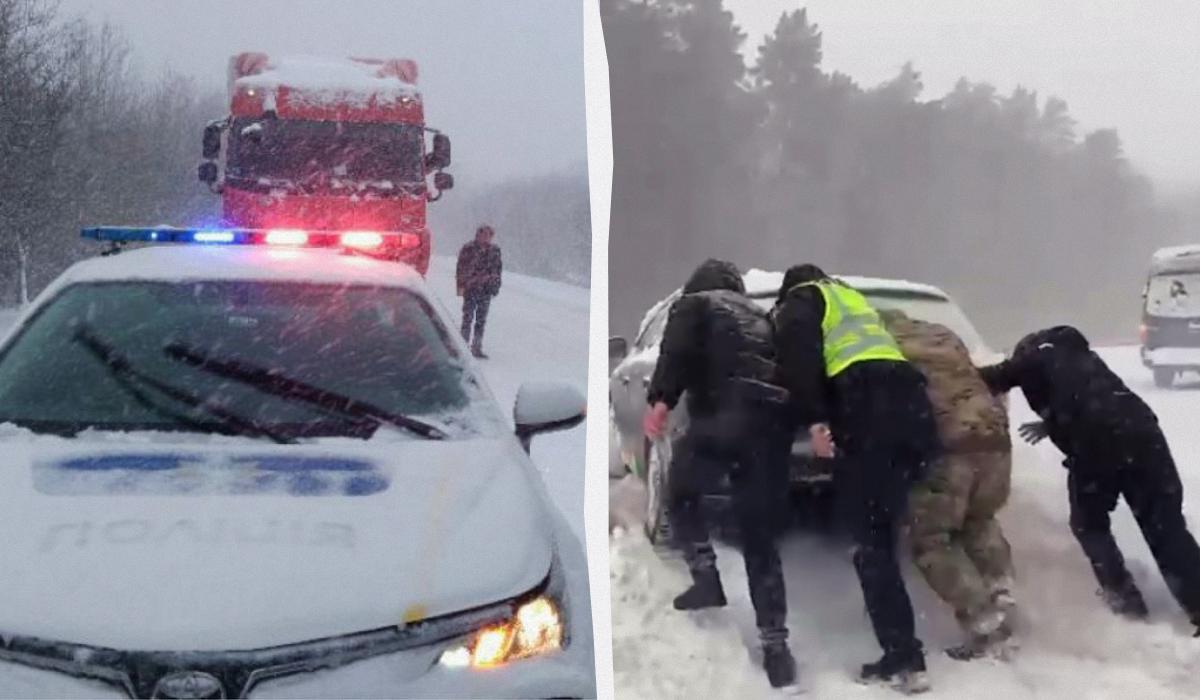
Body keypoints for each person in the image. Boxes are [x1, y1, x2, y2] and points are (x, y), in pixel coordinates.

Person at [772, 264, 939, 694]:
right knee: (883, 534)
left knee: (871, 545)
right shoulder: (854, 301)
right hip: (912, 414)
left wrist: (814, 421)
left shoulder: (801, 301)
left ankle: (904, 659)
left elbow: (799, 363)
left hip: (868, 416)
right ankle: (905, 649)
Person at [978, 325, 1200, 634]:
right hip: (1143, 432)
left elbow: (986, 378)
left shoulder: (1032, 358)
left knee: (1089, 523)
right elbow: (1085, 393)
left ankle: (1127, 605)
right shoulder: (1079, 355)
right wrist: (1052, 422)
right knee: (1166, 527)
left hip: (1096, 442)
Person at [643, 259, 797, 689]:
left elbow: (677, 351)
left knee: (681, 493)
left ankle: (706, 577)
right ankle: (777, 648)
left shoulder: (696, 304)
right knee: (760, 537)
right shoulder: (761, 317)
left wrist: (661, 399)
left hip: (723, 414)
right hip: (770, 426)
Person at [879, 309, 1017, 660]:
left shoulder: (884, 346)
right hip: (995, 441)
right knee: (979, 520)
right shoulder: (944, 336)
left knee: (930, 540)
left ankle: (983, 618)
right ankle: (1002, 590)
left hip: (949, 448)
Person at [455, 225, 502, 358]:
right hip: (471, 288)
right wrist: (461, 286)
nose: (486, 238)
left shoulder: (495, 251)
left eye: (489, 235)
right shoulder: (468, 248)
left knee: (481, 320)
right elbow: (460, 268)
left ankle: (476, 347)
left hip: (485, 290)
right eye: (484, 235)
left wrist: (495, 286)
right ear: (478, 235)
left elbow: (497, 270)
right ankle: (463, 347)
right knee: (467, 318)